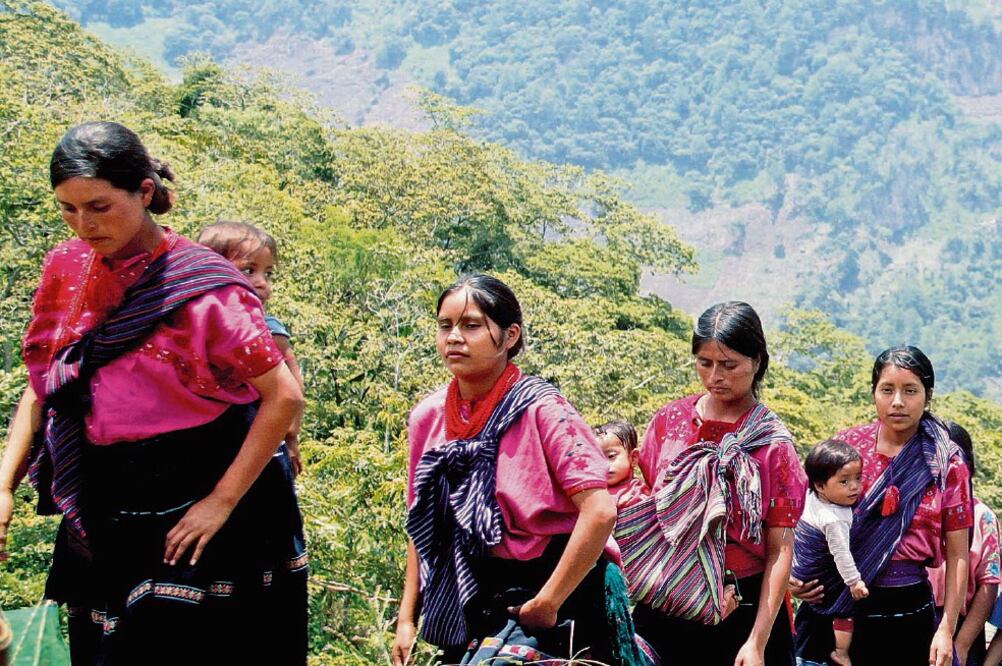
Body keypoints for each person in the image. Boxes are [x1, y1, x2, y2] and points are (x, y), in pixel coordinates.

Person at [0, 121, 307, 665]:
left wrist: (220, 503)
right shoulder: (67, 266)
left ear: (144, 192)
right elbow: (48, 381)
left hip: (207, 488)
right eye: (68, 209)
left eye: (98, 206)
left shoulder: (202, 286)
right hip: (108, 496)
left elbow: (283, 397)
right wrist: (4, 485)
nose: (83, 224)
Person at [391, 274, 643, 666]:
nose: (454, 337)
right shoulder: (429, 416)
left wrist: (547, 602)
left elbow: (599, 510)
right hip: (476, 591)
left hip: (557, 589)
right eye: (445, 326)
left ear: (510, 336)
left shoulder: (543, 410)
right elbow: (423, 523)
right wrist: (407, 617)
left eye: (472, 325)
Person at [629, 301, 807, 666]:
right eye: (704, 363)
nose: (715, 377)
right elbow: (648, 506)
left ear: (756, 361)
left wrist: (757, 642)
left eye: (729, 365)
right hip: (666, 599)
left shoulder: (772, 446)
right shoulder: (669, 421)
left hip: (738, 608)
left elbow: (780, 550)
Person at [792, 346, 970, 666]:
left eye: (910, 390)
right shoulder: (846, 448)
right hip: (835, 604)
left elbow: (958, 554)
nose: (897, 401)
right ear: (874, 393)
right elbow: (808, 517)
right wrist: (798, 575)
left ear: (927, 396)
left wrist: (946, 628)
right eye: (887, 390)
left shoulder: (947, 463)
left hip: (906, 612)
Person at [197, 220, 305, 476]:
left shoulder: (268, 329)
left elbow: (293, 387)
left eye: (267, 273)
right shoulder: (199, 322)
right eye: (248, 271)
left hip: (260, 443)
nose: (261, 283)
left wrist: (290, 437)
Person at [927, 422, 999, 666]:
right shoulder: (914, 512)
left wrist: (962, 645)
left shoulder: (982, 516)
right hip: (913, 621)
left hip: (961, 629)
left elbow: (988, 585)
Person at [794, 439, 868, 666]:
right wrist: (854, 582)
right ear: (820, 485)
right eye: (844, 481)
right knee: (844, 606)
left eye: (858, 478)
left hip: (797, 570)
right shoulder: (834, 518)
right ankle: (841, 651)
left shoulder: (810, 498)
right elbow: (841, 554)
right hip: (815, 574)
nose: (854, 487)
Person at [596, 420, 649, 508]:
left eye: (611, 456)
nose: (604, 465)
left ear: (633, 458)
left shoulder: (638, 490)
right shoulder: (594, 492)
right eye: (597, 460)